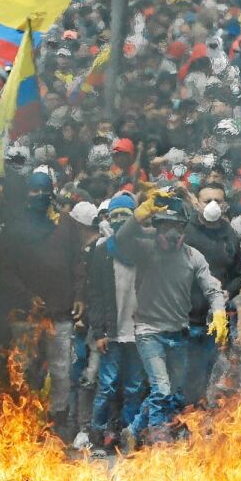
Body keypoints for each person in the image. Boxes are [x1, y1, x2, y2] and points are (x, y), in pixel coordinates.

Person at [113, 188, 228, 449]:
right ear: (157, 226)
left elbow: (213, 288)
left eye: (177, 226)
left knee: (170, 392)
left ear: (184, 228)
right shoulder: (144, 249)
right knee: (162, 389)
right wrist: (139, 215)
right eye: (166, 225)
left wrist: (219, 312)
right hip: (148, 331)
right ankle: (159, 441)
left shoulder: (193, 256)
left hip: (178, 332)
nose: (172, 232)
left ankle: (133, 430)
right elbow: (121, 238)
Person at [0, 171, 86, 438]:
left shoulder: (65, 225)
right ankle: (26, 421)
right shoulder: (15, 227)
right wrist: (27, 296)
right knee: (25, 370)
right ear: (27, 193)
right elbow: (5, 269)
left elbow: (78, 263)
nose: (39, 196)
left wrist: (79, 295)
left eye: (44, 191)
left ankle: (57, 420)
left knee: (61, 370)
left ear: (52, 192)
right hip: (26, 315)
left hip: (60, 310)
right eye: (34, 190)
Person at [85, 194, 147, 455]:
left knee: (134, 387)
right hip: (112, 332)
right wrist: (99, 331)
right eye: (116, 215)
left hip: (138, 332)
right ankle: (98, 437)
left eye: (126, 215)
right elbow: (96, 295)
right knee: (107, 386)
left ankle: (127, 436)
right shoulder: (102, 252)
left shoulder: (144, 250)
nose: (121, 221)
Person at [182, 182, 241, 405]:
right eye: (207, 200)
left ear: (225, 204)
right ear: (197, 203)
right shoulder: (185, 232)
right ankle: (180, 413)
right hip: (185, 318)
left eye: (217, 201)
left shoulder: (230, 235)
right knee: (184, 372)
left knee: (208, 370)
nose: (212, 205)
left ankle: (197, 410)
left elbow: (239, 275)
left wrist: (227, 292)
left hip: (214, 319)